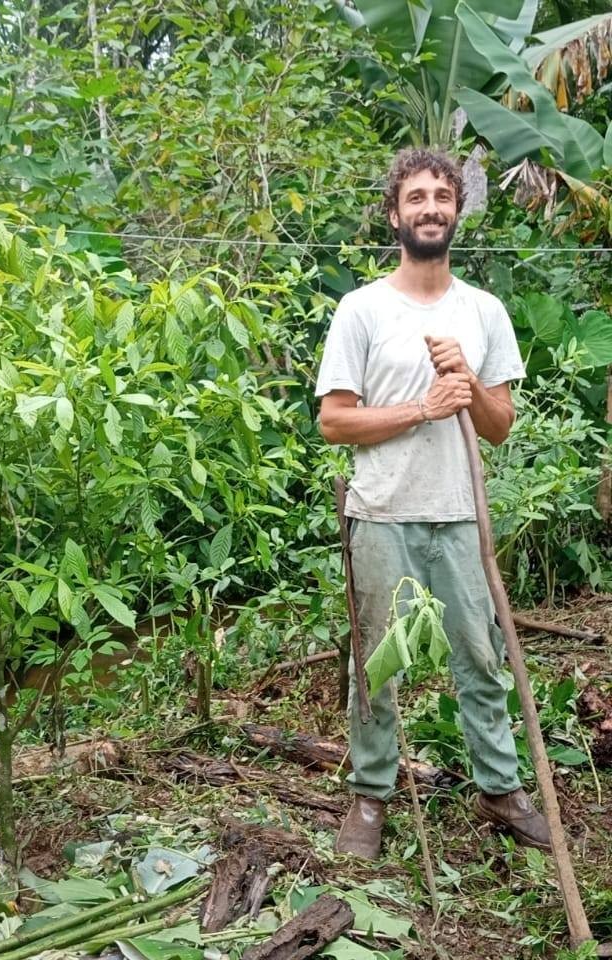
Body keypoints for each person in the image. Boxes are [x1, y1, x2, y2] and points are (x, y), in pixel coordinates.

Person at [315, 148, 550, 860]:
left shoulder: (484, 311)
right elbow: (333, 421)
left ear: (457, 213)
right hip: (382, 512)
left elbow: (499, 427)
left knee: (480, 657)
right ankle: (370, 797)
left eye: (441, 197)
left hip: (460, 516)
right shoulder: (363, 309)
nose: (429, 208)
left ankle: (500, 789)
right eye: (415, 197)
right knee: (378, 663)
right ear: (395, 214)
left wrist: (467, 381)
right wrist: (421, 407)